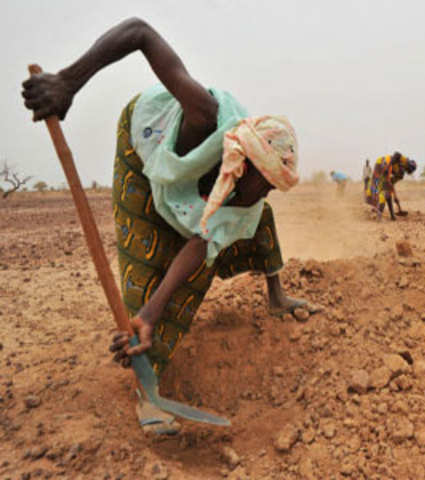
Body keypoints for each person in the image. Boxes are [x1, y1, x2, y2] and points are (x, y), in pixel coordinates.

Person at [22, 18, 317, 435]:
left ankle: (275, 296)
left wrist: (152, 312)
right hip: (144, 151)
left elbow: (201, 242)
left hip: (189, 194)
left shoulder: (246, 199)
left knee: (212, 258)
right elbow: (140, 32)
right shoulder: (204, 116)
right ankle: (147, 389)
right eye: (264, 184)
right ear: (243, 163)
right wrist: (68, 82)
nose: (264, 194)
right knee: (146, 260)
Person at [365, 152, 416, 220]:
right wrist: (388, 166)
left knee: (387, 193)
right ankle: (378, 211)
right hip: (381, 163)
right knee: (376, 189)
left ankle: (390, 215)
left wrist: (395, 197)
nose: (406, 170)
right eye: (408, 169)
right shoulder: (405, 161)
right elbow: (396, 154)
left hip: (384, 172)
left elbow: (391, 184)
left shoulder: (400, 175)